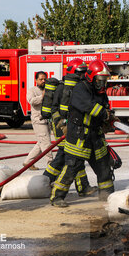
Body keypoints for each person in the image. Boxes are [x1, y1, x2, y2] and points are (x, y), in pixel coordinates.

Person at [50, 59, 117, 207]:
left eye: (105, 80)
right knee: (72, 167)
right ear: (91, 77)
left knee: (103, 167)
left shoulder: (101, 92)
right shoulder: (81, 88)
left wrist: (109, 117)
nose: (103, 84)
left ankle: (107, 196)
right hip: (79, 135)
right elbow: (90, 107)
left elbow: (105, 107)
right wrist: (104, 114)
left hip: (96, 135)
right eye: (100, 80)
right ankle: (57, 197)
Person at [43, 59, 96, 196]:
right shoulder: (62, 88)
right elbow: (54, 109)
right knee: (69, 157)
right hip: (62, 126)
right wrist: (61, 122)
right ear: (72, 72)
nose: (83, 75)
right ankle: (47, 180)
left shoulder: (81, 88)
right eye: (80, 72)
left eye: (85, 72)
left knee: (70, 156)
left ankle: (46, 180)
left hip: (73, 125)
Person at [23, 71, 53, 170]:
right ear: (36, 80)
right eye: (41, 79)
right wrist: (42, 96)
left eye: (45, 79)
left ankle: (28, 162)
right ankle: (51, 165)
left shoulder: (48, 90)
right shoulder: (32, 90)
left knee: (41, 143)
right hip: (38, 121)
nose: (43, 81)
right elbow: (31, 101)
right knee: (46, 144)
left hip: (47, 121)